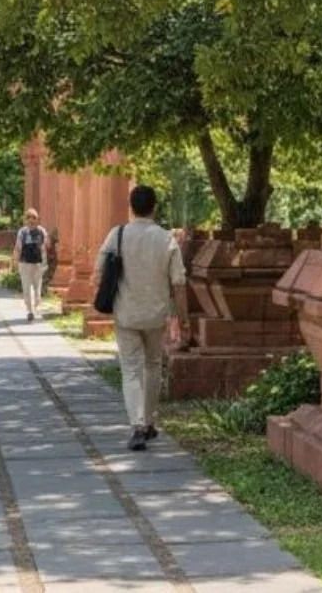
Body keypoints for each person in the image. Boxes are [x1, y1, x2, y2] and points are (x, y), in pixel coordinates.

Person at [94, 184, 191, 451]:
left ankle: (137, 425)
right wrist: (184, 321)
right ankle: (148, 422)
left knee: (131, 369)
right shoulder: (166, 239)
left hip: (126, 312)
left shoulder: (118, 234)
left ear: (131, 207)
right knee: (153, 365)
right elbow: (179, 283)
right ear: (154, 207)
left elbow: (98, 270)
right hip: (156, 314)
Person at [12, 208, 55, 322]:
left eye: (34, 218)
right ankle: (30, 311)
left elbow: (48, 245)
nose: (31, 220)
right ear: (25, 220)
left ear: (37, 220)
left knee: (37, 288)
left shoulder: (42, 231)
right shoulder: (22, 232)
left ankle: (35, 305)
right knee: (26, 288)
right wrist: (14, 261)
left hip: (38, 264)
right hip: (25, 264)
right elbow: (18, 247)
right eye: (28, 218)